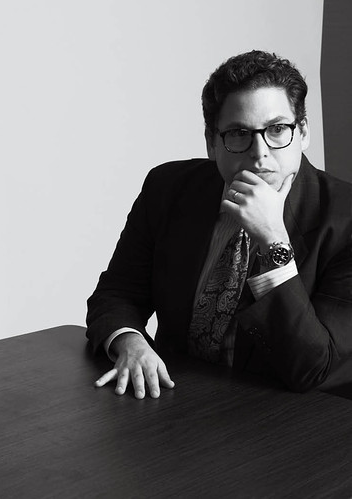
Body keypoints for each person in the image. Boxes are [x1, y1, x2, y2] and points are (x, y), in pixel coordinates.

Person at [86, 50, 352, 400]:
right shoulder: (168, 188)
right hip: (180, 401)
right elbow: (117, 292)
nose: (260, 153)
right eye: (240, 133)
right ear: (212, 142)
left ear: (302, 132)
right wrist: (129, 342)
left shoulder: (346, 219)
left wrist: (273, 239)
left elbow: (312, 369)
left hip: (297, 414)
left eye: (277, 130)